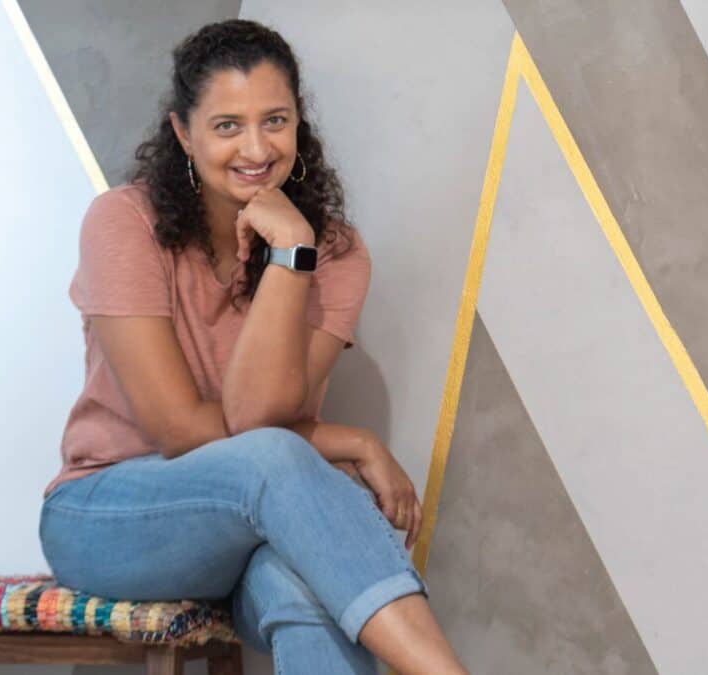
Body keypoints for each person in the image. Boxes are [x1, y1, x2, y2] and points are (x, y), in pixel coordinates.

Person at [38, 19, 468, 675]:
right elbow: (180, 428)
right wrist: (353, 442)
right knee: (283, 466)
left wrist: (293, 255)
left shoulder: (336, 255)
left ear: (300, 124)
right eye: (227, 125)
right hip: (108, 515)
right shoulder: (122, 223)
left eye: (276, 119)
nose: (256, 146)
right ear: (184, 132)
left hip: (250, 524)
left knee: (311, 591)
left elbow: (258, 417)